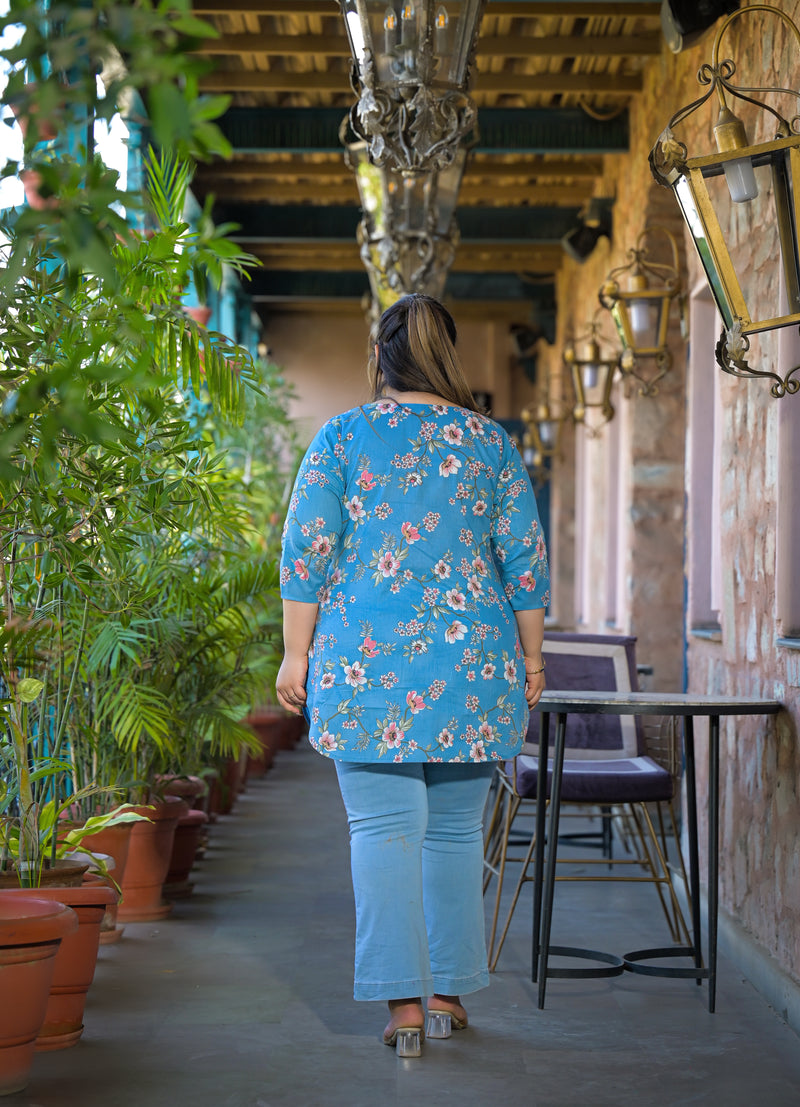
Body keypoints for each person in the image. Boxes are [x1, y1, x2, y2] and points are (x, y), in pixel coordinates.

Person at [276, 293, 550, 1054]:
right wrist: (532, 658)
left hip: (365, 671)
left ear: (379, 360)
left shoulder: (343, 437)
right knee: (458, 835)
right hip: (472, 670)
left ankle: (401, 1010)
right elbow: (524, 561)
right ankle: (447, 995)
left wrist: (296, 653)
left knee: (382, 831)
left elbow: (306, 549)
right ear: (448, 357)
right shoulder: (490, 444)